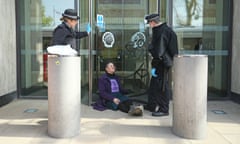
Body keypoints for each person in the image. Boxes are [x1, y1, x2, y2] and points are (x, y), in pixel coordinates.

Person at [144, 13, 178, 117]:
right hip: (160, 62)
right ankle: (152, 104)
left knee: (162, 86)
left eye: (149, 23)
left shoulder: (162, 32)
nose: (149, 26)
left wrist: (151, 50)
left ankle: (164, 109)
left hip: (161, 63)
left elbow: (159, 51)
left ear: (153, 22)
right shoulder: (164, 30)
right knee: (154, 83)